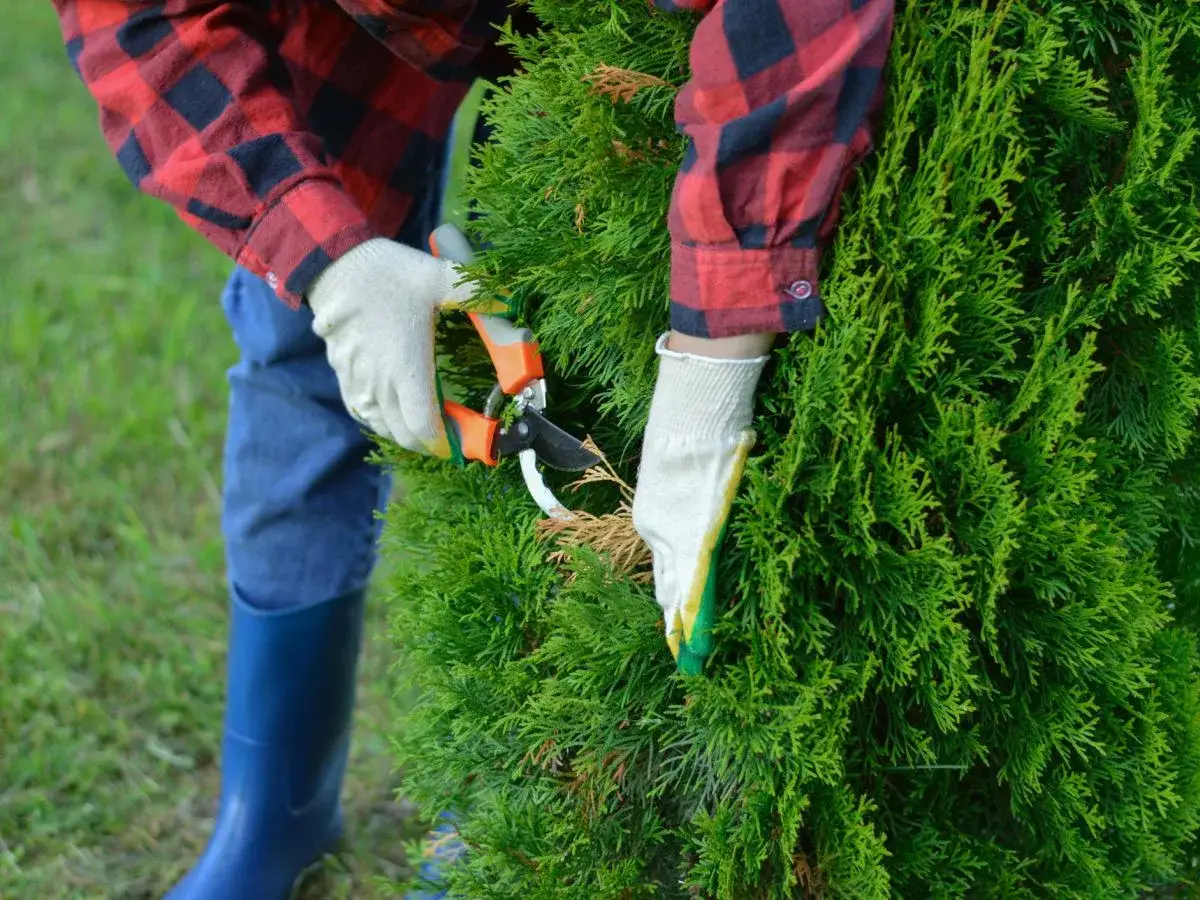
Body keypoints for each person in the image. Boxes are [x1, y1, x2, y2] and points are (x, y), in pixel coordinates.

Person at [49, 0, 895, 896]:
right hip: (338, 22)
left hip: (611, 28)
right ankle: (269, 816)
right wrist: (328, 263)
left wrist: (711, 363)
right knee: (299, 345)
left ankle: (507, 795)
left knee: (568, 308)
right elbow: (134, 24)